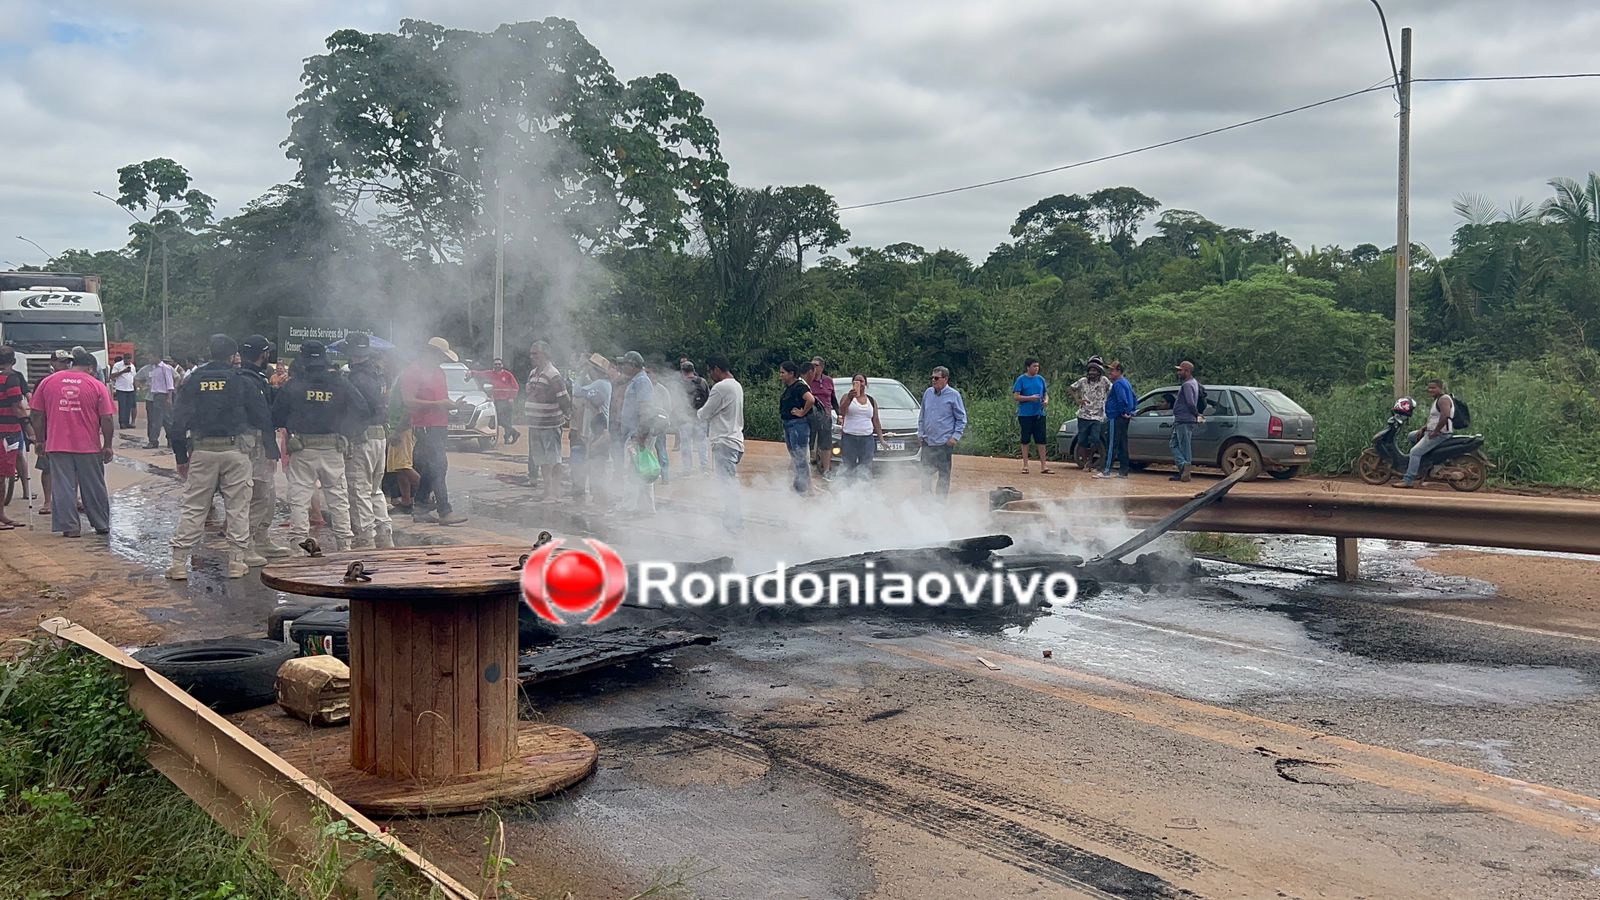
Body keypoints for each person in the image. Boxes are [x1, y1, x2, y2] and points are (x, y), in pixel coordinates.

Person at [166, 335, 271, 578]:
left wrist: (181, 457)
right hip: (236, 451)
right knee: (238, 507)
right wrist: (268, 450)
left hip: (202, 451)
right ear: (233, 355)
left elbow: (178, 422)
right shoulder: (241, 381)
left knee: (194, 506)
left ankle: (178, 563)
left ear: (210, 352)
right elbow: (262, 416)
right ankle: (236, 561)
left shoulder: (193, 381)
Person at [273, 340, 370, 550]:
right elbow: (362, 410)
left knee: (299, 496)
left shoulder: (294, 384)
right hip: (333, 447)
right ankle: (344, 545)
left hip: (302, 447)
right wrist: (347, 432)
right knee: (337, 496)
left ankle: (298, 545)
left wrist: (291, 424)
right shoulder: (340, 382)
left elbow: (277, 415)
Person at [30, 349, 115, 537]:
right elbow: (107, 418)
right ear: (91, 367)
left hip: (57, 444)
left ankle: (70, 527)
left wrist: (40, 440)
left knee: (62, 485)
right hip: (89, 447)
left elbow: (36, 414)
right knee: (94, 485)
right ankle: (101, 524)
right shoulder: (96, 384)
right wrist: (107, 445)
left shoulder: (48, 382)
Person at [400, 337, 469, 525]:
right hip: (425, 426)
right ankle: (444, 511)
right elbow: (408, 401)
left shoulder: (439, 372)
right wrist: (439, 404)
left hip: (439, 425)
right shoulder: (413, 372)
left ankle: (421, 507)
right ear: (431, 353)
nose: (443, 360)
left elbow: (442, 400)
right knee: (438, 466)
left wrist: (452, 405)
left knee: (433, 467)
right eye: (441, 356)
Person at [237, 335, 290, 563]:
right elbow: (263, 417)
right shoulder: (251, 380)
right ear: (264, 354)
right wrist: (271, 450)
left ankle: (261, 537)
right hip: (255, 442)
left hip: (246, 441)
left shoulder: (246, 377)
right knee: (260, 493)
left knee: (267, 493)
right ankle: (247, 544)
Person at [343, 333, 394, 548]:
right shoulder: (378, 374)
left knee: (359, 488)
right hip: (379, 436)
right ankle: (384, 531)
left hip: (362, 438)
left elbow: (355, 410)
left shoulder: (355, 378)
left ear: (351, 352)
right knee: (375, 488)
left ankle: (365, 536)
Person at [698, 354, 745, 530]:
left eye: (711, 370)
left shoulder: (721, 388)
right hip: (735, 440)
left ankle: (733, 522)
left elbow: (705, 413)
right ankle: (732, 519)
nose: (710, 374)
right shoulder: (736, 385)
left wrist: (694, 414)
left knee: (727, 484)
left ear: (717, 368)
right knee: (729, 482)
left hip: (724, 441)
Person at [523, 341, 571, 501]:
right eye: (531, 353)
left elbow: (563, 398)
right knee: (542, 459)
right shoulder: (533, 373)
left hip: (550, 424)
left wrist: (568, 417)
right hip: (535, 424)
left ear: (545, 355)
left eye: (535, 353)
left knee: (554, 459)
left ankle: (555, 491)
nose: (532, 357)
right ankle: (547, 488)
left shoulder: (553, 374)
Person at [616, 351, 658, 512]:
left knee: (632, 472)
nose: (622, 367)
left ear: (633, 365)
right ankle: (647, 508)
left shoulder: (641, 382)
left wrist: (640, 435)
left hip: (637, 434)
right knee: (642, 471)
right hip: (636, 433)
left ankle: (628, 507)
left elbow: (645, 409)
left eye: (625, 364)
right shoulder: (638, 380)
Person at [917, 366, 967, 498]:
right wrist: (920, 433)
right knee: (925, 473)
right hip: (928, 441)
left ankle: (940, 503)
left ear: (945, 379)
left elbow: (961, 418)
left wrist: (955, 437)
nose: (933, 380)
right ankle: (926, 500)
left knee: (943, 474)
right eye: (932, 378)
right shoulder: (928, 393)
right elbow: (922, 414)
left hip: (944, 442)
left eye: (936, 378)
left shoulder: (954, 395)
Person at [570, 354, 613, 504]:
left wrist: (581, 373)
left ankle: (601, 497)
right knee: (595, 465)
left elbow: (576, 391)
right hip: (596, 429)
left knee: (597, 465)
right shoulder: (602, 384)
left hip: (598, 431)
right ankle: (598, 496)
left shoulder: (600, 384)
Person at [1397, 379, 1455, 489]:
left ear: (1441, 388)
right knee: (1412, 436)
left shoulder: (1444, 399)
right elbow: (1435, 418)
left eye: (1434, 388)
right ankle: (1423, 467)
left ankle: (1408, 480)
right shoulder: (1438, 399)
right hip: (1432, 431)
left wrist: (1436, 431)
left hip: (1440, 434)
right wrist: (1423, 429)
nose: (1430, 390)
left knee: (1414, 452)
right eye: (1429, 388)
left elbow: (1445, 416)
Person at [0, 347, 33, 529]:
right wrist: (29, 429)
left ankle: (2, 515)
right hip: (6, 431)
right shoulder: (11, 378)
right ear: (13, 361)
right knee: (2, 475)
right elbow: (17, 406)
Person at [838, 373, 885, 482]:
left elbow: (876, 420)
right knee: (849, 466)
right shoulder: (847, 397)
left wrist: (881, 439)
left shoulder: (871, 401)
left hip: (867, 438)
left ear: (866, 383)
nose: (859, 384)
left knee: (866, 466)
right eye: (856, 381)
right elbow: (842, 411)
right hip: (850, 437)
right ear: (853, 383)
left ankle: (864, 490)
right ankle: (848, 490)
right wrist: (849, 398)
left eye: (861, 381)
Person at [779, 361, 815, 495]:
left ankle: (802, 488)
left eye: (783, 372)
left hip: (797, 425)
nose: (781, 375)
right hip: (790, 424)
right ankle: (799, 485)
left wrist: (802, 412)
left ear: (791, 373)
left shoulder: (799, 387)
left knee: (800, 456)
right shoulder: (790, 387)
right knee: (795, 456)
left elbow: (810, 400)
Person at [1069, 357, 1111, 471]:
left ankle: (1090, 460)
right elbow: (1072, 388)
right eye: (1090, 370)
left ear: (1099, 372)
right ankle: (1085, 459)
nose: (1092, 373)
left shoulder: (1104, 381)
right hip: (1083, 415)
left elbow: (1113, 391)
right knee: (1082, 440)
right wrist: (1077, 399)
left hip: (1098, 416)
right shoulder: (1082, 381)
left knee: (1095, 439)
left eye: (1095, 371)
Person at [1096, 361, 1136, 479]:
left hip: (1116, 417)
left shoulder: (1118, 384)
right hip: (1124, 418)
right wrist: (1131, 411)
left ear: (1119, 371)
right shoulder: (1126, 383)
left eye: (1112, 370)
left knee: (1112, 443)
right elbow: (1134, 397)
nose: (1110, 373)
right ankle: (1123, 471)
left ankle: (1106, 470)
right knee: (1123, 444)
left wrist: (1123, 411)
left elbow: (1122, 400)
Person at [1012, 358, 1051, 475]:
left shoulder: (1040, 379)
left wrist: (1046, 400)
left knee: (1041, 440)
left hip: (1039, 413)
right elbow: (1016, 396)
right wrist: (1030, 398)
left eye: (1038, 366)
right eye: (1034, 366)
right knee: (1025, 440)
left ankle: (1044, 465)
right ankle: (1025, 465)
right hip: (1025, 414)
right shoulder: (1021, 380)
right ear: (1028, 367)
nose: (1036, 368)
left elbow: (1045, 393)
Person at [470, 358, 521, 445]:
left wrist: (511, 397)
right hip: (496, 400)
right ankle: (514, 433)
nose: (497, 365)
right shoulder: (490, 374)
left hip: (507, 401)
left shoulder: (508, 375)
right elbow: (480, 374)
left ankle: (508, 437)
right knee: (498, 420)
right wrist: (471, 372)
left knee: (506, 420)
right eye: (496, 364)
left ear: (502, 365)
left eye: (499, 364)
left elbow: (515, 387)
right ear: (493, 365)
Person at [1170, 360, 1202, 482]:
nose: (1178, 372)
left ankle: (1184, 467)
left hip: (1184, 419)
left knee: (1182, 446)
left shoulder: (1187, 385)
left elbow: (1190, 402)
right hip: (1183, 419)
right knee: (1176, 444)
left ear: (1187, 371)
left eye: (1180, 370)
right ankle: (1183, 469)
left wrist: (1196, 414)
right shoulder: (1194, 383)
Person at [677, 360, 711, 476]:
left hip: (685, 418)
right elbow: (708, 399)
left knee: (686, 445)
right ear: (693, 370)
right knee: (702, 443)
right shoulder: (702, 382)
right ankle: (704, 468)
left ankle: (687, 469)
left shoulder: (680, 383)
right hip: (700, 418)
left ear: (683, 371)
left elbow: (677, 402)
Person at [807, 357, 836, 481]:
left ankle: (826, 470)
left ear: (822, 367)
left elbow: (833, 398)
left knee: (826, 444)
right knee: (808, 442)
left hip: (825, 415)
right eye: (812, 365)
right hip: (810, 415)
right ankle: (805, 467)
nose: (814, 367)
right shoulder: (807, 380)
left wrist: (839, 414)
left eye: (816, 365)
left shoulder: (828, 381)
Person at [146, 355, 176, 449]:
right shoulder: (154, 369)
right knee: (164, 419)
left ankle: (154, 441)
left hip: (163, 395)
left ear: (157, 357)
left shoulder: (165, 368)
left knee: (158, 419)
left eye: (151, 357)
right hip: (156, 395)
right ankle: (170, 440)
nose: (149, 359)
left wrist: (169, 398)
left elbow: (170, 383)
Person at [110, 355, 137, 429]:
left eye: (129, 360)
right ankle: (122, 422)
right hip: (121, 389)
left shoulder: (132, 366)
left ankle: (127, 422)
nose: (128, 361)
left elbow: (133, 377)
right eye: (126, 360)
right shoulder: (118, 365)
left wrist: (135, 387)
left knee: (129, 406)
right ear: (124, 359)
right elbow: (112, 376)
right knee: (122, 406)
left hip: (130, 389)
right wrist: (123, 371)